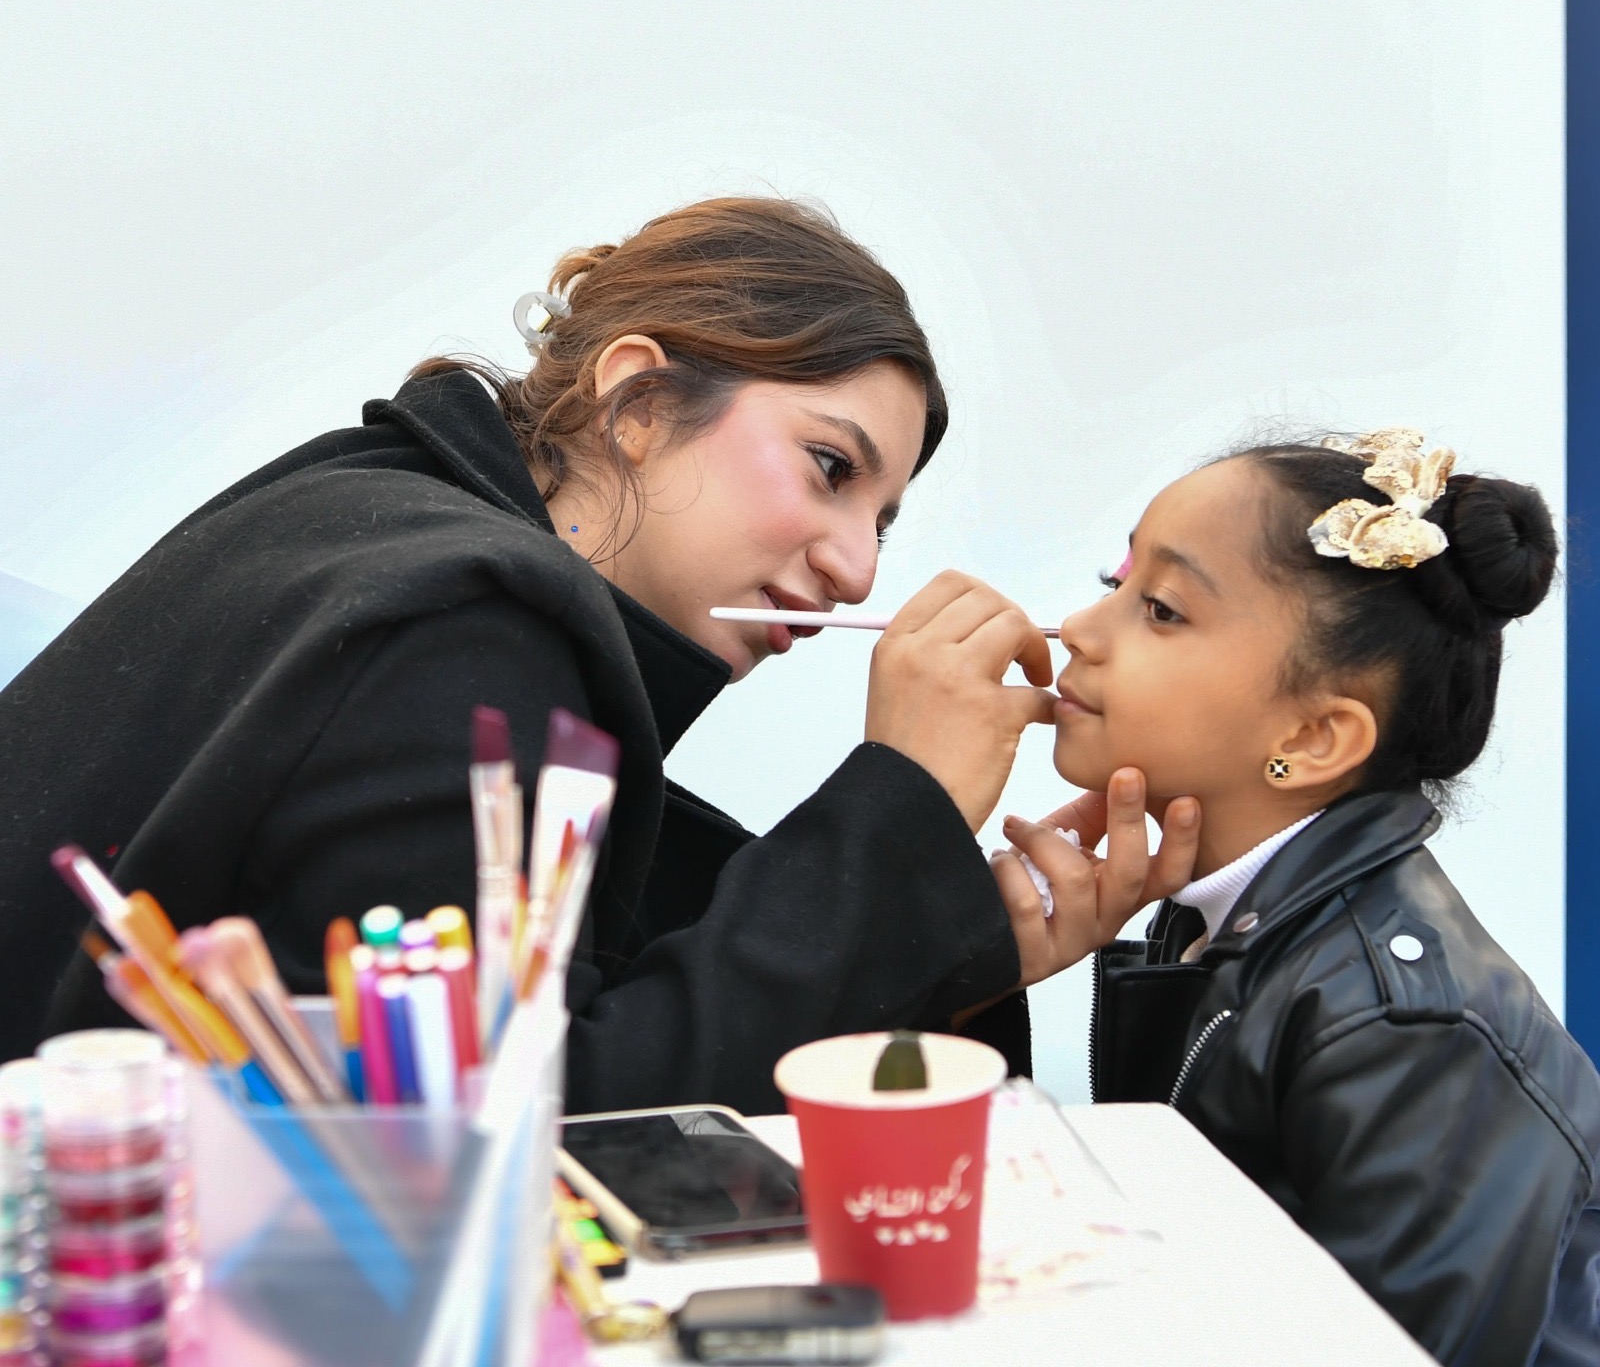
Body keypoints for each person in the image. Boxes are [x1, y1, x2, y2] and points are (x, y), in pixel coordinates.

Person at [0, 196, 1198, 1110]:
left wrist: (943, 944)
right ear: (639, 402)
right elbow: (528, 1132)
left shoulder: (380, 510)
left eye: (881, 520)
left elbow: (554, 1022)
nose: (856, 568)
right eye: (828, 468)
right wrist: (907, 798)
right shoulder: (464, 627)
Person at [999, 427, 1599, 1365]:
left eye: (1160, 608)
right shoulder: (1209, 916)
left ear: (1314, 739)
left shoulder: (1409, 1029)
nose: (1076, 627)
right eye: (1116, 580)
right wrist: (982, 965)